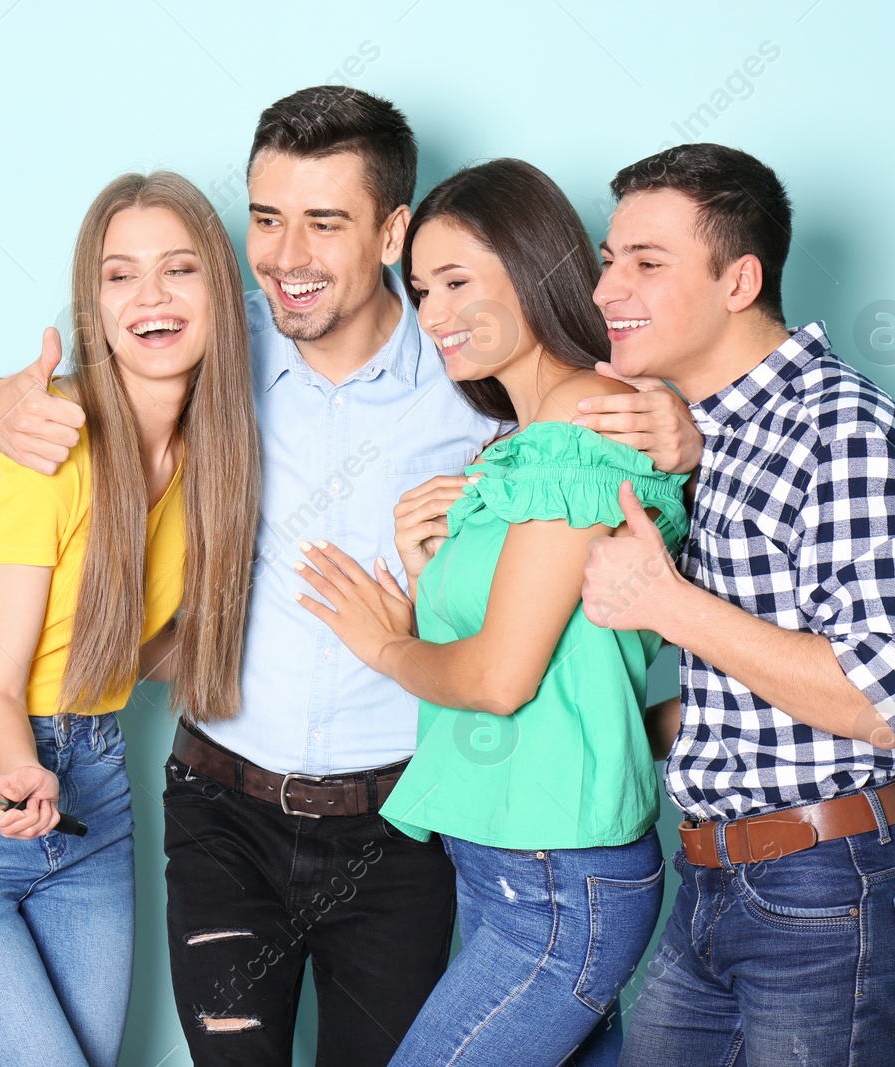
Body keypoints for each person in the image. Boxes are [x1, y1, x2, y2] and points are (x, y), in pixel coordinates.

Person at [0, 87, 701, 1067]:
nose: (287, 255)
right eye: (265, 218)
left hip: (406, 825)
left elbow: (596, 438)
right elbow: (5, 426)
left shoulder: (473, 357)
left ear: (391, 231)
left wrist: (679, 434)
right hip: (222, 807)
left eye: (324, 222)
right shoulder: (209, 338)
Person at [577, 143, 895, 1066]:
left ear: (739, 280)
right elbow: (759, 688)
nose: (606, 291)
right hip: (720, 882)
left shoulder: (840, 425)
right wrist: (614, 730)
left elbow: (879, 697)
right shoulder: (720, 436)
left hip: (834, 889)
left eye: (647, 261)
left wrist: (667, 604)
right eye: (609, 259)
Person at [293, 158, 688, 1066]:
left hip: (553, 878)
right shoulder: (523, 447)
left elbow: (501, 680)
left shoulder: (580, 433)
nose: (432, 316)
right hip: (516, 864)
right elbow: (566, 657)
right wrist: (431, 570)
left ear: (536, 267)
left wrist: (387, 645)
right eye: (421, 288)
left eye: (458, 281)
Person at [0, 170, 260, 1067]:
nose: (150, 296)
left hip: (95, 789)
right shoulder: (43, 448)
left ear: (220, 292)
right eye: (120, 275)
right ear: (93, 305)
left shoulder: (215, 460)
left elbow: (125, 647)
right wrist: (18, 776)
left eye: (180, 269)